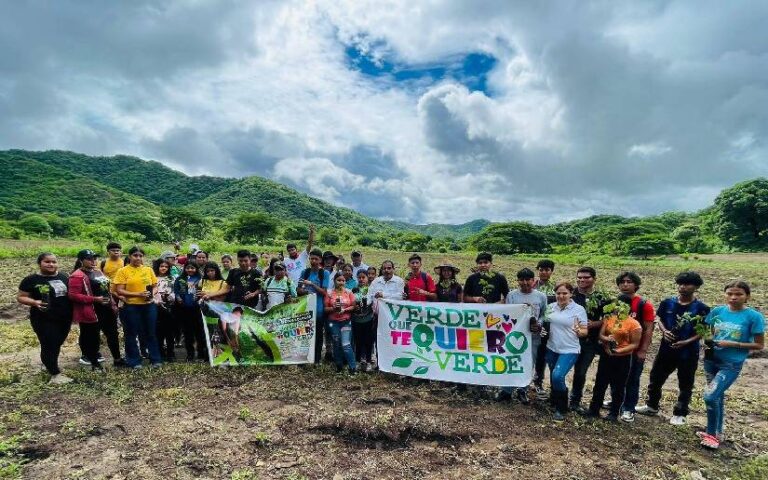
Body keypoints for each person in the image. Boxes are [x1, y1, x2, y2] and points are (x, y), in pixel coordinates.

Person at [636, 271, 710, 426]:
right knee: (656, 377)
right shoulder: (667, 303)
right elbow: (660, 319)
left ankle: (680, 412)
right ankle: (652, 405)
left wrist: (686, 341)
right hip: (666, 349)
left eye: (687, 284)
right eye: (681, 284)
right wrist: (664, 332)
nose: (683, 287)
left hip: (688, 352)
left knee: (685, 382)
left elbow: (702, 331)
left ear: (696, 287)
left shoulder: (701, 308)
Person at [697, 281, 764, 450]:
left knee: (710, 396)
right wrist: (706, 343)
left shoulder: (754, 317)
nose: (733, 297)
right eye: (730, 294)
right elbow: (706, 329)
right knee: (717, 396)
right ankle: (716, 432)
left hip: (731, 364)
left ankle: (711, 435)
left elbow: (759, 345)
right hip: (711, 360)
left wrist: (733, 344)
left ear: (747, 296)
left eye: (739, 294)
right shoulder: (718, 311)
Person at [585, 295, 643, 422]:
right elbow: (601, 335)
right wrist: (607, 341)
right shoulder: (609, 319)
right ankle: (594, 409)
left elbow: (634, 344)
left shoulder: (634, 324)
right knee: (600, 383)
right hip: (607, 356)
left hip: (623, 358)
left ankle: (613, 412)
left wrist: (619, 350)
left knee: (618, 386)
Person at [17, 253, 73, 384]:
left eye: (54, 262)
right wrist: (35, 302)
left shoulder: (64, 276)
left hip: (64, 317)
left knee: (57, 343)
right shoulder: (31, 280)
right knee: (49, 343)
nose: (51, 264)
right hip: (43, 318)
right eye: (47, 262)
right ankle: (55, 373)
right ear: (40, 263)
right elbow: (21, 297)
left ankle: (51, 364)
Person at [498, 268, 547, 405]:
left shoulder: (541, 296)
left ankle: (522, 389)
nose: (525, 283)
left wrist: (539, 324)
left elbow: (543, 314)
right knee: (510, 361)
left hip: (533, 336)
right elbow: (506, 313)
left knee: (528, 362)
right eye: (521, 280)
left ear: (533, 281)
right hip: (514, 335)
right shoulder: (512, 295)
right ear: (518, 280)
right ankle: (506, 390)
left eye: (528, 280)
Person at [611, 271, 656, 423]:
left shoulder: (644, 305)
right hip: (618, 350)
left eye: (629, 282)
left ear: (636, 285)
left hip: (634, 350)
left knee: (632, 379)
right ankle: (616, 402)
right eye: (622, 282)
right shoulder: (616, 302)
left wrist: (643, 350)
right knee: (616, 378)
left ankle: (629, 408)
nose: (625, 284)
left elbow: (649, 329)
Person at [541, 282, 588, 421]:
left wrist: (580, 331)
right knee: (554, 375)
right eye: (558, 293)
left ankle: (561, 408)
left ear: (571, 294)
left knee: (557, 376)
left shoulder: (578, 309)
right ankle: (555, 400)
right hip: (552, 347)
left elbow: (585, 331)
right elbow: (546, 323)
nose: (561, 296)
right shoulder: (550, 307)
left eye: (564, 293)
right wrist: (543, 330)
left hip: (569, 349)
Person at [68, 250, 120, 370]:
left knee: (112, 334)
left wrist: (112, 303)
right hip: (91, 311)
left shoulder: (97, 272)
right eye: (89, 259)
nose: (93, 261)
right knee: (91, 337)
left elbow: (106, 289)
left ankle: (117, 359)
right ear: (81, 260)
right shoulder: (77, 275)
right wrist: (95, 299)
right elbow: (73, 295)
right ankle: (94, 363)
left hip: (106, 309)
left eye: (95, 258)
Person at [113, 246, 162, 368]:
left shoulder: (148, 270)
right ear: (130, 256)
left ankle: (155, 359)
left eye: (140, 256)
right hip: (131, 306)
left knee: (151, 332)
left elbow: (155, 285)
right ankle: (134, 361)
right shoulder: (123, 271)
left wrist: (152, 293)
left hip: (148, 305)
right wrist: (138, 294)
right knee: (131, 333)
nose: (138, 258)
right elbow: (119, 290)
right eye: (135, 255)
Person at [569, 267, 610, 413]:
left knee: (580, 371)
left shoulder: (602, 298)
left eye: (586, 277)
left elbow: (608, 318)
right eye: (579, 277)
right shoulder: (570, 294)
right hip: (568, 339)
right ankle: (557, 396)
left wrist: (594, 324)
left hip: (589, 341)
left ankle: (575, 400)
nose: (582, 280)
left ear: (594, 279)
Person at [298, 249, 331, 364]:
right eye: (311, 258)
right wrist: (305, 291)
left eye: (316, 259)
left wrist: (312, 284)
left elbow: (324, 292)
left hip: (319, 310)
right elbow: (298, 289)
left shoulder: (324, 273)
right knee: (304, 334)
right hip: (306, 309)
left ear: (320, 260)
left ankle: (316, 359)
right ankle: (304, 358)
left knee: (317, 335)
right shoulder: (305, 272)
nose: (313, 261)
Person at [325, 272, 357, 374]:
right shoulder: (329, 293)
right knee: (336, 343)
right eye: (339, 280)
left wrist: (345, 310)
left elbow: (354, 306)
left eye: (343, 280)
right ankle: (339, 366)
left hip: (346, 321)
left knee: (346, 344)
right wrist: (333, 308)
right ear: (334, 281)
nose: (341, 282)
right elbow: (325, 308)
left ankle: (352, 367)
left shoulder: (348, 292)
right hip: (333, 322)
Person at [173, 263, 204, 362]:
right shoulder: (180, 279)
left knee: (199, 333)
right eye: (188, 268)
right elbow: (176, 290)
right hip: (184, 309)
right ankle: (190, 355)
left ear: (196, 268)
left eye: (192, 268)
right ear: (184, 269)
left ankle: (201, 354)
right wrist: (178, 297)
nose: (190, 270)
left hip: (197, 309)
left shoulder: (200, 279)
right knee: (187, 333)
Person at [351, 269, 375, 371]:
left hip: (368, 320)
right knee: (358, 341)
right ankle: (358, 361)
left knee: (368, 342)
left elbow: (373, 302)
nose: (361, 279)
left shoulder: (371, 289)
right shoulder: (353, 290)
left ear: (367, 278)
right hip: (356, 320)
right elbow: (351, 302)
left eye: (363, 277)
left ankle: (369, 362)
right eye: (359, 277)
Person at [154, 259, 176, 362]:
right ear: (157, 267)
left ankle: (171, 353)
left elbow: (176, 291)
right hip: (156, 307)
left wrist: (172, 297)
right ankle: (161, 352)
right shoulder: (153, 278)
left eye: (166, 267)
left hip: (170, 307)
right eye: (161, 266)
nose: (164, 268)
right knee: (159, 332)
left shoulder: (172, 278)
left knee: (170, 332)